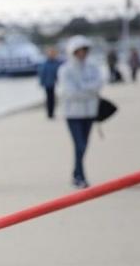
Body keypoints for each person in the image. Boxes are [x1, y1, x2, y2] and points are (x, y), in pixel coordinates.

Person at [58, 35, 103, 189]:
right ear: (73, 52)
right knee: (80, 145)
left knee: (84, 145)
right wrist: (89, 90)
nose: (82, 53)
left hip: (90, 112)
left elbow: (99, 84)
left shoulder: (93, 66)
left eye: (84, 50)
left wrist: (82, 89)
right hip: (73, 114)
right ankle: (80, 176)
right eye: (79, 50)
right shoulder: (65, 70)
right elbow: (69, 93)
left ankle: (76, 173)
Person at [37, 46, 62, 119]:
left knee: (52, 98)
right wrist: (41, 83)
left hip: (53, 83)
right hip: (47, 83)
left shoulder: (56, 62)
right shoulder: (45, 63)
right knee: (49, 98)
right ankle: (49, 113)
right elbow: (41, 74)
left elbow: (58, 73)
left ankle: (51, 113)